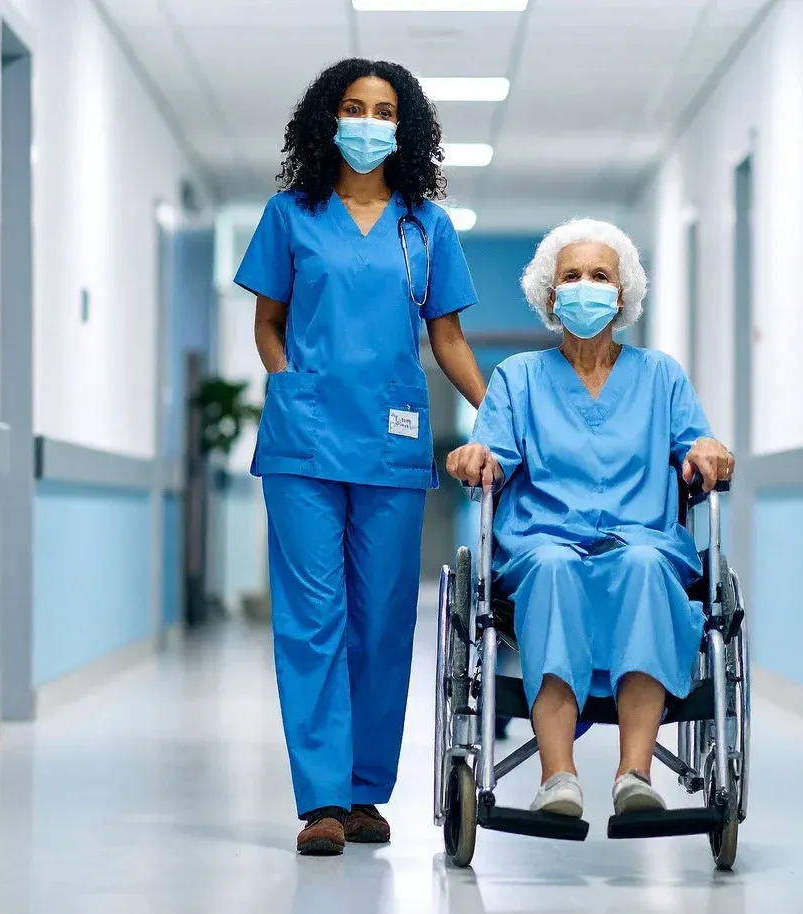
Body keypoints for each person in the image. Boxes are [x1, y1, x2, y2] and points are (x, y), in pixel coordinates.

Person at [235, 58, 487, 856]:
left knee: (381, 622)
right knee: (313, 620)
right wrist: (289, 383)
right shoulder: (291, 214)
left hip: (392, 440)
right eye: (354, 107)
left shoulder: (426, 226)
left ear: (403, 126)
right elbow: (268, 322)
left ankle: (367, 791)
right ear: (328, 119)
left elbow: (446, 337)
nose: (369, 122)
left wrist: (505, 413)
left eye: (383, 109)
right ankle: (321, 801)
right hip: (304, 444)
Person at [445, 218, 734, 819]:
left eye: (599, 275)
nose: (585, 287)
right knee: (552, 567)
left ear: (622, 293)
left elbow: (698, 446)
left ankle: (635, 774)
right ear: (550, 297)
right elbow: (492, 450)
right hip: (542, 548)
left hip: (643, 544)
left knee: (646, 564)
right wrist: (476, 454)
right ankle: (559, 778)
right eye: (570, 277)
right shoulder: (517, 378)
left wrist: (709, 448)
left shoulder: (661, 377)